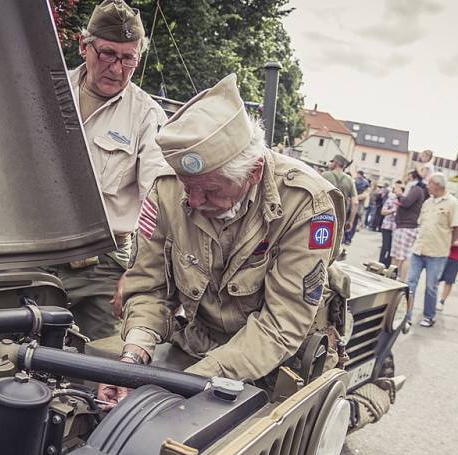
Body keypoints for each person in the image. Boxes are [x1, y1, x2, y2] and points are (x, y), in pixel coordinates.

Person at [97, 74, 344, 405]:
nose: (194, 202)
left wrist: (194, 381)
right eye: (189, 186)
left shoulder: (306, 204)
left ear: (253, 173)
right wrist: (133, 357)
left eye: (210, 189)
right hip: (200, 344)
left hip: (280, 363)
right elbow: (149, 286)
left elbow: (280, 325)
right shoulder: (167, 189)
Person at [55, 0, 168, 341]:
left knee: (102, 365)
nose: (117, 69)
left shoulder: (146, 115)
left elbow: (158, 201)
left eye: (128, 58)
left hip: (104, 265)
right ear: (83, 45)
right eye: (107, 54)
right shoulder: (49, 91)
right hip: (36, 253)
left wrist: (136, 274)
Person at [404, 172, 458, 328]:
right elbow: (421, 224)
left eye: (429, 183)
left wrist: (448, 243)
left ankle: (429, 316)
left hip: (437, 253)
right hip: (419, 250)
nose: (427, 186)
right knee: (410, 284)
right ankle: (406, 316)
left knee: (431, 286)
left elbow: (457, 228)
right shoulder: (427, 203)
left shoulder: (452, 203)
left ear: (437, 185)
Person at [390, 170, 426, 282]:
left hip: (406, 227)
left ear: (412, 177)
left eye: (408, 177)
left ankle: (396, 280)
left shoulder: (416, 189)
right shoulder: (416, 189)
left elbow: (406, 203)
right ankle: (397, 279)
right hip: (407, 226)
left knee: (400, 257)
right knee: (401, 256)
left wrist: (399, 195)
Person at [322, 155, 358, 247]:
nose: (330, 164)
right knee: (335, 244)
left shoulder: (325, 175)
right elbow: (355, 203)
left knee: (319, 241)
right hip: (340, 217)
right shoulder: (350, 180)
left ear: (336, 163)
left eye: (332, 162)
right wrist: (350, 221)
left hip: (323, 213)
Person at [378, 183, 400, 267]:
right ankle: (380, 263)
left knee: (392, 248)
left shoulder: (404, 202)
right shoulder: (390, 199)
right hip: (387, 226)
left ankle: (387, 265)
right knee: (385, 246)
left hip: (396, 228)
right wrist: (393, 210)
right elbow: (383, 212)